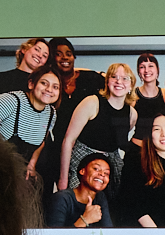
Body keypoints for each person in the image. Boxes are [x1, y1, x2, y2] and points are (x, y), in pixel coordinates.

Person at [57, 61, 140, 192]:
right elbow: (68, 141)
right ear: (107, 82)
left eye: (125, 78)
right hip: (82, 161)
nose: (119, 81)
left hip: (110, 165)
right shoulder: (91, 102)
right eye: (114, 77)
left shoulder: (132, 114)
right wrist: (63, 179)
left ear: (131, 86)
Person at [0, 65, 63, 186]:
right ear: (31, 84)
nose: (49, 89)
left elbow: (42, 140)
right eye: (44, 83)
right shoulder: (11, 101)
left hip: (15, 176)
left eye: (55, 87)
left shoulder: (51, 113)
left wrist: (31, 164)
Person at [48, 151, 116, 229]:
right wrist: (85, 220)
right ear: (82, 171)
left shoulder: (100, 197)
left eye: (106, 173)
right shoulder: (62, 198)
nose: (102, 174)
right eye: (96, 169)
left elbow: (108, 232)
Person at [49, 37, 103, 126]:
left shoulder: (92, 78)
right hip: (59, 138)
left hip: (91, 138)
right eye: (58, 54)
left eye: (69, 54)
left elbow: (118, 90)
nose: (65, 57)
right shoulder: (48, 85)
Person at [0, 37, 50, 104]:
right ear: (24, 49)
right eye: (37, 49)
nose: (40, 55)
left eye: (44, 56)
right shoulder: (0, 78)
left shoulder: (42, 85)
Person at [133, 51, 165, 131]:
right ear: (139, 72)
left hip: (160, 142)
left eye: (150, 66)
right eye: (142, 67)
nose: (146, 70)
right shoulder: (133, 94)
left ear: (157, 70)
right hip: (138, 142)